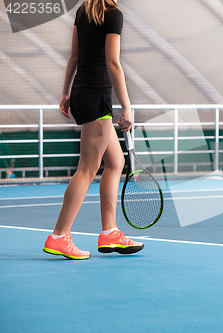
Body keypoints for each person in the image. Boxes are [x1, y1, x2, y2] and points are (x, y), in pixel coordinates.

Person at [43, 0, 143, 259]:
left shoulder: (83, 11)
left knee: (115, 162)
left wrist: (66, 92)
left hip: (81, 92)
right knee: (87, 169)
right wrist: (127, 106)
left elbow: (74, 56)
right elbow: (113, 63)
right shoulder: (113, 15)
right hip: (97, 95)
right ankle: (59, 236)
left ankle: (110, 232)